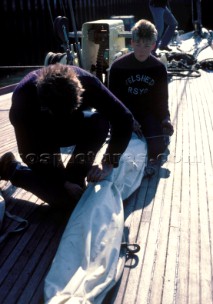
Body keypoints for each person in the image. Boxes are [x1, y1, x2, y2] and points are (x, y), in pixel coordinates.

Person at [0, 63, 134, 211]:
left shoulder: (88, 83)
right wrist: (62, 181)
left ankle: (75, 174)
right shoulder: (24, 99)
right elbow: (28, 152)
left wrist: (108, 162)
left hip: (73, 125)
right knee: (65, 202)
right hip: (42, 134)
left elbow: (124, 118)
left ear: (80, 93)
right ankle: (11, 169)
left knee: (99, 123)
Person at [109, 19, 174, 172]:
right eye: (138, 44)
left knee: (157, 150)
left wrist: (166, 118)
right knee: (122, 151)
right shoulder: (118, 67)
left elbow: (162, 100)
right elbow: (112, 101)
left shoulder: (158, 68)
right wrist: (128, 119)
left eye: (146, 46)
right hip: (125, 115)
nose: (142, 50)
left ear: (154, 45)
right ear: (131, 43)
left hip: (149, 114)